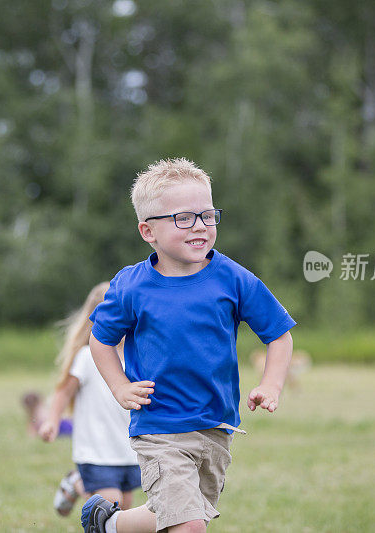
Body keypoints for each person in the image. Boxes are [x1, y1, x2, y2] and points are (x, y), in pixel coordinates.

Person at [80, 158, 296, 533]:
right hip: (158, 424)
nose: (199, 226)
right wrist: (119, 386)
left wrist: (271, 384)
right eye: (183, 218)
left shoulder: (233, 278)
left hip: (216, 425)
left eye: (207, 215)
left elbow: (278, 335)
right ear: (148, 231)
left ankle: (109, 525)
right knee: (189, 525)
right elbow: (100, 339)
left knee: (182, 511)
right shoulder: (132, 286)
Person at [39, 282, 141, 517]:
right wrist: (52, 421)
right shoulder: (87, 357)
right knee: (111, 504)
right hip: (96, 449)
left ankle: (77, 482)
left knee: (125, 504)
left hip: (127, 448)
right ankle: (77, 483)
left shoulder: (135, 356)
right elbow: (64, 391)